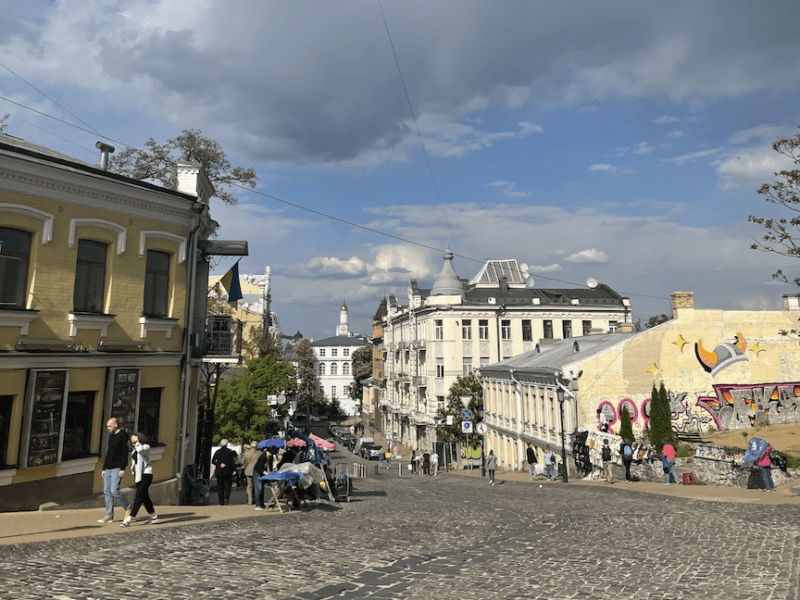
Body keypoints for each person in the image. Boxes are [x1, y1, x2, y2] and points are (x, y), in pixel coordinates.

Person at [98, 418, 131, 523]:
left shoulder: (123, 435)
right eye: (107, 426)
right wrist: (104, 468)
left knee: (114, 491)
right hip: (109, 468)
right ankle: (109, 515)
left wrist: (122, 468)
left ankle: (128, 508)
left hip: (117, 468)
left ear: (115, 425)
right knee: (107, 492)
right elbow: (109, 453)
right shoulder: (111, 436)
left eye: (109, 426)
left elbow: (124, 452)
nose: (108, 428)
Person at [121, 432, 157, 527]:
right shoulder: (134, 449)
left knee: (138, 496)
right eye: (132, 440)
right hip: (138, 475)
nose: (133, 441)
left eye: (134, 439)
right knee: (144, 497)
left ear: (139, 438)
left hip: (146, 474)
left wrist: (137, 443)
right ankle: (153, 516)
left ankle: (128, 519)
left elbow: (141, 450)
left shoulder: (145, 447)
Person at [212, 439, 237, 505]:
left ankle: (221, 501)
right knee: (228, 486)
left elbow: (213, 461)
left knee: (220, 486)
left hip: (219, 471)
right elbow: (232, 462)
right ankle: (226, 498)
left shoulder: (218, 452)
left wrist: (219, 464)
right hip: (228, 471)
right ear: (227, 444)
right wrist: (234, 470)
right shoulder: (230, 452)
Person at [242, 440, 260, 505]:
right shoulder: (259, 453)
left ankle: (250, 500)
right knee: (256, 485)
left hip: (248, 471)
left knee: (249, 486)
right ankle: (257, 499)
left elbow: (242, 462)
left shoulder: (246, 453)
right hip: (257, 471)